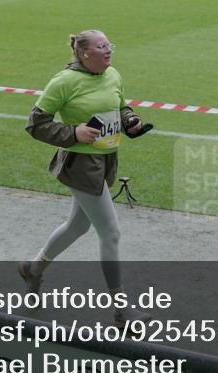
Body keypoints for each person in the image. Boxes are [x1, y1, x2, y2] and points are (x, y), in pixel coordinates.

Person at [20, 29, 151, 324]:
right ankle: (121, 309)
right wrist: (72, 133)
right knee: (110, 231)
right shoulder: (64, 81)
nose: (108, 51)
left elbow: (119, 106)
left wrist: (129, 121)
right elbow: (35, 124)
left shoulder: (113, 74)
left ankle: (33, 268)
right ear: (83, 53)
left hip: (107, 161)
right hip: (80, 164)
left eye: (110, 46)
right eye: (101, 47)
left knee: (76, 227)